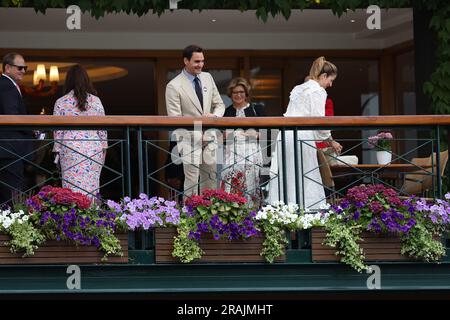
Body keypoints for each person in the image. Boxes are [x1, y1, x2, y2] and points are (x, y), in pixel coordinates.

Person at [268, 56, 343, 209]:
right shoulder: (318, 91)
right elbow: (319, 122)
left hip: (286, 135)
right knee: (305, 175)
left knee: (287, 174)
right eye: (330, 80)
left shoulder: (298, 88)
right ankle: (306, 211)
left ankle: (284, 209)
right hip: (301, 136)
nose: (331, 84)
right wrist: (330, 140)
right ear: (323, 76)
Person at [165, 44, 225, 197]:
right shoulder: (173, 86)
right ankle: (190, 217)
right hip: (189, 140)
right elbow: (175, 120)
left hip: (210, 138)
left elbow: (219, 104)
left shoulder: (208, 78)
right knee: (191, 182)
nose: (201, 65)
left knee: (211, 180)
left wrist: (215, 117)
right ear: (186, 61)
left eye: (202, 61)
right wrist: (199, 136)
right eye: (197, 61)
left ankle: (210, 218)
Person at [52, 65, 107, 199]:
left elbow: (57, 132)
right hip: (94, 147)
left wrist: (57, 152)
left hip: (70, 147)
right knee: (92, 188)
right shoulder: (96, 101)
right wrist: (104, 149)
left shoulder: (61, 102)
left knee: (70, 189)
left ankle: (73, 217)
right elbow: (103, 130)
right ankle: (91, 216)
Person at [221, 77, 264, 208]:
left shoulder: (257, 110)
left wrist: (255, 134)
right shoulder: (226, 111)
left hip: (252, 152)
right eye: (235, 92)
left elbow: (266, 133)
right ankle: (232, 210)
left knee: (252, 183)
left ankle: (252, 212)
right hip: (232, 153)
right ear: (230, 94)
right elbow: (221, 136)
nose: (238, 95)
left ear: (246, 93)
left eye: (241, 92)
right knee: (232, 181)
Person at [0, 52, 33, 206]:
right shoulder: (6, 86)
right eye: (19, 67)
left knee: (9, 194)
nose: (23, 71)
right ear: (7, 68)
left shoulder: (8, 85)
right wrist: (31, 128)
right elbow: (12, 116)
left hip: (8, 149)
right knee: (12, 197)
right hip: (9, 150)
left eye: (25, 68)